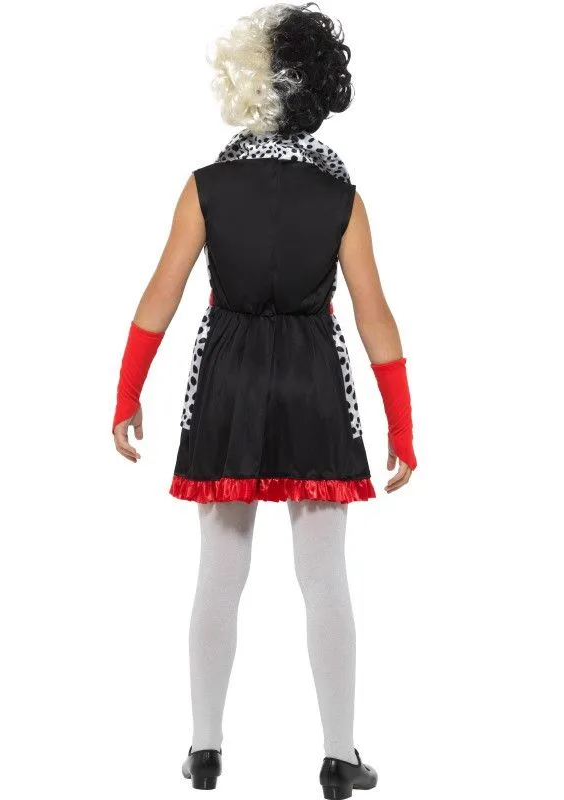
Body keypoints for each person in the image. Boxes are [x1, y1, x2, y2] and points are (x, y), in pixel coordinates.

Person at [112, 4, 417, 797]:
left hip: (229, 380)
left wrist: (128, 391)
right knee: (325, 576)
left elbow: (160, 296)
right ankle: (340, 755)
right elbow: (376, 317)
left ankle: (205, 749)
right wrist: (402, 425)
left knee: (220, 571)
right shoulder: (341, 196)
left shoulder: (206, 187)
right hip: (314, 381)